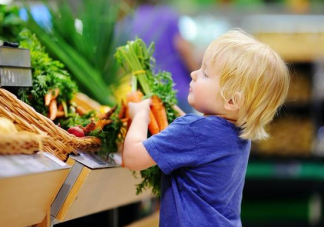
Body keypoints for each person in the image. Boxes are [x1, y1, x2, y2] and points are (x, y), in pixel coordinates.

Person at [122, 29, 290, 227]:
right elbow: (198, 143)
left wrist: (140, 115)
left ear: (231, 100)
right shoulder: (238, 134)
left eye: (205, 73)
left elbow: (132, 157)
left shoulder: (193, 130)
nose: (193, 73)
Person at [120, 0, 200, 113]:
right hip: (178, 92)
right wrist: (200, 75)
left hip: (146, 97)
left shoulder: (127, 22)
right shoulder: (167, 15)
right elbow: (184, 50)